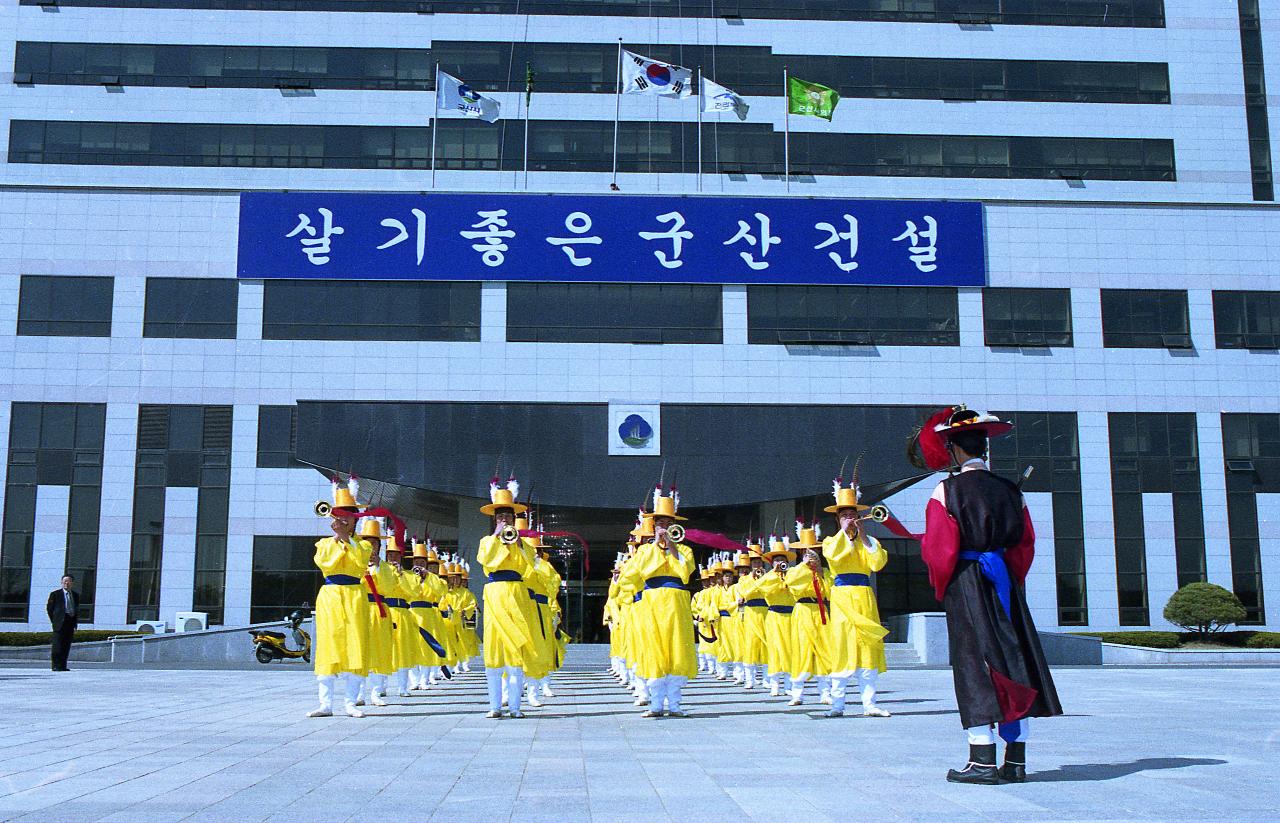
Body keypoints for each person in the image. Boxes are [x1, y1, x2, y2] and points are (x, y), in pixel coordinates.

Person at [914, 406, 1063, 784]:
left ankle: (981, 759)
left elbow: (938, 549)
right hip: (1003, 581)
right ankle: (1016, 762)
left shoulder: (945, 490)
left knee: (974, 663)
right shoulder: (1011, 490)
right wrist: (1007, 578)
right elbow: (1025, 545)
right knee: (1016, 660)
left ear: (955, 450)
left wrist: (943, 584)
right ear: (984, 448)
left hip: (967, 580)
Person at [619, 486, 697, 718]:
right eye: (660, 524)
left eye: (667, 523)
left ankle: (675, 704)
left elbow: (686, 572)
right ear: (654, 527)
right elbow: (633, 575)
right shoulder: (644, 551)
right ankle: (655, 704)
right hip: (651, 603)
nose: (664, 528)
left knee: (677, 649)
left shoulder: (684, 549)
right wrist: (655, 545)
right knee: (653, 650)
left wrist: (671, 546)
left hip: (676, 602)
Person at [822, 479, 892, 718]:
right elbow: (834, 556)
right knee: (842, 646)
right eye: (845, 516)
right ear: (838, 519)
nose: (850, 518)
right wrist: (845, 532)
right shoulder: (832, 541)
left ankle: (869, 704)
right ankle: (837, 704)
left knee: (868, 647)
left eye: (853, 514)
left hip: (864, 596)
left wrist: (863, 537)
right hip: (842, 598)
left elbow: (877, 563)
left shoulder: (870, 542)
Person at [476, 476, 539, 718]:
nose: (504, 519)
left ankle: (515, 707)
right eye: (500, 516)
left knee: (516, 649)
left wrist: (518, 544)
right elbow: (485, 561)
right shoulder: (486, 541)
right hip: (494, 594)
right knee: (494, 650)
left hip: (516, 593)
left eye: (508, 516)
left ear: (514, 519)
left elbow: (529, 570)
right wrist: (497, 536)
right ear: (495, 519)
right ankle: (494, 706)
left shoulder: (524, 545)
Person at [309, 479, 372, 718]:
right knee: (328, 644)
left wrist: (346, 540)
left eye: (349, 517)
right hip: (331, 595)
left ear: (355, 520)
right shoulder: (324, 544)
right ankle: (325, 704)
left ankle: (351, 702)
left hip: (355, 595)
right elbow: (325, 563)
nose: (344, 521)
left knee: (355, 644)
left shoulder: (363, 545)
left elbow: (360, 564)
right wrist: (338, 540)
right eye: (341, 516)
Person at [784, 526, 833, 707]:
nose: (810, 555)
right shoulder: (796, 570)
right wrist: (805, 565)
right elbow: (790, 582)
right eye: (806, 551)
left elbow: (829, 592)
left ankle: (825, 692)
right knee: (801, 649)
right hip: (803, 610)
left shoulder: (825, 572)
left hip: (820, 610)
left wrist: (820, 571)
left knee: (824, 649)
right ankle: (797, 693)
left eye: (813, 551)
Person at [359, 518, 394, 707]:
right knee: (361, 651)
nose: (371, 548)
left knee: (380, 651)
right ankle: (358, 693)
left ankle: (376, 692)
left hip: (380, 611)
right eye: (367, 543)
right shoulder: (356, 564)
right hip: (362, 610)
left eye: (374, 544)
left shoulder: (385, 567)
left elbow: (388, 587)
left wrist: (378, 567)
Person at [756, 535, 797, 697]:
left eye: (782, 559)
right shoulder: (768, 577)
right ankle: (774, 684)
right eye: (776, 560)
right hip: (774, 616)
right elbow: (760, 586)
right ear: (771, 563)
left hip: (791, 617)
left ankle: (789, 683)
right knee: (774, 649)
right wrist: (774, 572)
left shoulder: (792, 574)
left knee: (790, 649)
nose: (780, 562)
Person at [46, 574, 80, 672]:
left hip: (70, 621)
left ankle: (63, 665)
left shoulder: (75, 595)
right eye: (65, 581)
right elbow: (49, 609)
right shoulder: (55, 594)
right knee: (57, 645)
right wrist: (55, 620)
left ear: (72, 583)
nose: (67, 583)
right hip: (60, 622)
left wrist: (75, 622)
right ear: (61, 583)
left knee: (66, 644)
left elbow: (75, 609)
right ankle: (56, 665)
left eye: (69, 581)